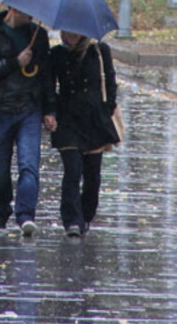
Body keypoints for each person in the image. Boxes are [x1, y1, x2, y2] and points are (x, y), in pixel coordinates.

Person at [0, 7, 56, 236]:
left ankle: (26, 215)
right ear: (12, 9)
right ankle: (1, 213)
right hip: (0, 109)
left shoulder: (37, 35)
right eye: (25, 10)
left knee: (29, 164)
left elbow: (45, 74)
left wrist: (50, 109)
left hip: (29, 109)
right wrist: (15, 62)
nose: (31, 14)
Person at [46, 30, 119, 239]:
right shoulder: (56, 54)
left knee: (92, 173)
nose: (68, 35)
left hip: (94, 120)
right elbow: (49, 86)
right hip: (67, 119)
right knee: (72, 169)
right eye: (64, 31)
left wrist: (107, 108)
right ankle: (71, 220)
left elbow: (110, 82)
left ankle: (86, 215)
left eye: (73, 32)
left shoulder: (99, 51)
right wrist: (50, 112)